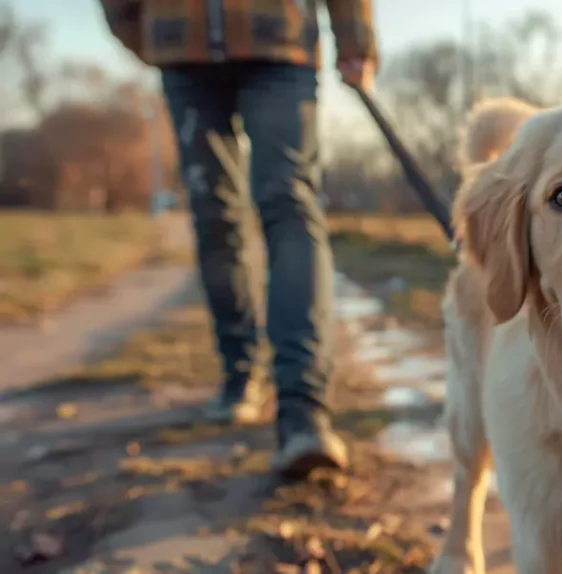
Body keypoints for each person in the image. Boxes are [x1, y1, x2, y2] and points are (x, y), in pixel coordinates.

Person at [100, 0, 377, 479]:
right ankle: (239, 376)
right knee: (213, 216)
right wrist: (143, 28)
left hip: (279, 37)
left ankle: (302, 410)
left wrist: (355, 39)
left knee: (289, 205)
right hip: (180, 43)